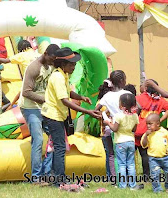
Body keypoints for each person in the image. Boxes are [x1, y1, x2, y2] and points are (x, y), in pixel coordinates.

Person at [41, 47, 101, 186]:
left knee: (58, 147)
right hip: (53, 116)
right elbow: (65, 100)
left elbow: (68, 92)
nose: (74, 67)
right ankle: (59, 180)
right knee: (60, 148)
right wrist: (87, 111)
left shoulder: (64, 75)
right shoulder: (57, 77)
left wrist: (81, 97)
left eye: (74, 64)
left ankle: (56, 177)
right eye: (71, 64)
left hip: (58, 116)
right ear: (63, 64)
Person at [20, 43, 59, 182]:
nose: (53, 62)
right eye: (51, 59)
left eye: (54, 60)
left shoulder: (51, 66)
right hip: (30, 107)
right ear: (45, 54)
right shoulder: (34, 68)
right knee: (38, 140)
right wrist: (46, 100)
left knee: (54, 138)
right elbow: (26, 92)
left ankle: (47, 172)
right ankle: (36, 177)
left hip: (44, 107)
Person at [94, 70, 131, 183]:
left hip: (110, 128)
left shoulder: (107, 96)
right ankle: (127, 178)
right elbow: (138, 107)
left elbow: (96, 110)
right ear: (122, 81)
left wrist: (104, 117)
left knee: (111, 155)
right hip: (126, 129)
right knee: (127, 155)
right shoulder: (127, 94)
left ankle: (115, 179)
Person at [104, 93, 140, 190]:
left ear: (122, 105)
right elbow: (134, 129)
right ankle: (132, 185)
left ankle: (122, 185)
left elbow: (114, 129)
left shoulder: (118, 116)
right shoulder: (135, 116)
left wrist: (108, 123)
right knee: (131, 164)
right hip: (131, 141)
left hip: (120, 142)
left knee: (122, 164)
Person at [135, 80, 168, 177]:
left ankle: (129, 176)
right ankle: (147, 176)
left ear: (146, 88)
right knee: (145, 155)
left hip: (136, 130)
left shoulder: (139, 98)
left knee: (130, 157)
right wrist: (160, 120)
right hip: (149, 131)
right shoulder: (160, 100)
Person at [141, 113, 168, 193]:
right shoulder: (148, 134)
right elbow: (144, 145)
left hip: (166, 158)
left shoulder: (164, 132)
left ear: (158, 124)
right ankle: (157, 190)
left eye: (150, 124)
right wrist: (145, 136)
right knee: (155, 175)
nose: (148, 126)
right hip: (153, 159)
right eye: (147, 124)